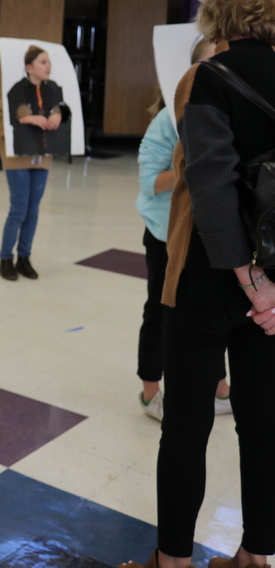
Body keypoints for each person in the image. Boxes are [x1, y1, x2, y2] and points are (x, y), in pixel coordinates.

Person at [121, 0, 275, 568]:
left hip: (210, 285)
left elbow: (211, 190)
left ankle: (174, 561)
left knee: (186, 427)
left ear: (218, 11)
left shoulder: (213, 78)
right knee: (265, 426)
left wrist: (250, 281)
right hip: (273, 298)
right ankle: (256, 555)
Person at [134, 39, 231, 422]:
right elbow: (149, 182)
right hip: (165, 232)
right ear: (192, 72)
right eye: (213, 62)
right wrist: (200, 169)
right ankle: (149, 392)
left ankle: (221, 390)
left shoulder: (228, 110)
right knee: (159, 311)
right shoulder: (168, 120)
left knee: (214, 311)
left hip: (205, 232)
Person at [0, 45, 65, 281]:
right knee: (19, 208)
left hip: (42, 156)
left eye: (49, 62)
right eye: (43, 62)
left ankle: (24, 257)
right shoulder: (15, 90)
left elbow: (63, 109)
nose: (48, 66)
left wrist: (58, 114)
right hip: (17, 157)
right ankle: (6, 258)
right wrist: (25, 119)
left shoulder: (53, 90)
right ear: (29, 67)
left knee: (33, 210)